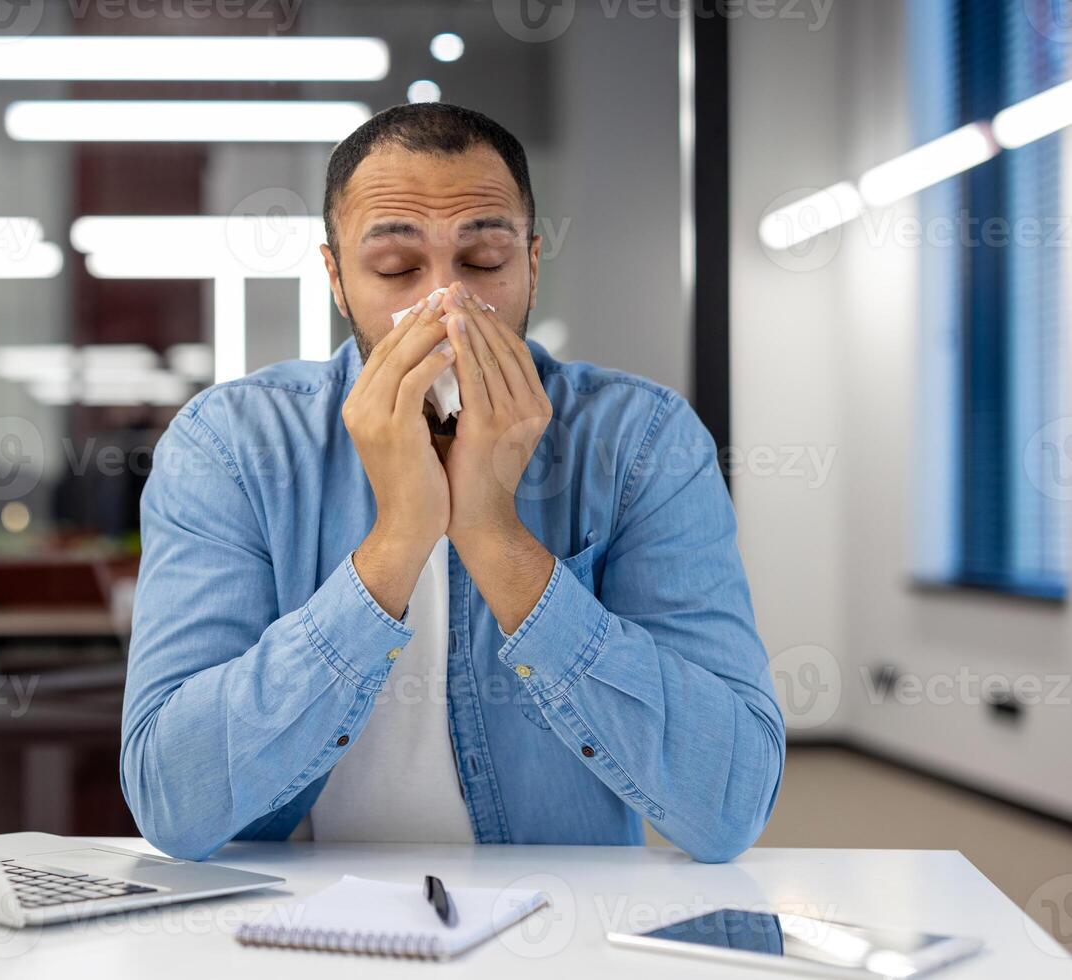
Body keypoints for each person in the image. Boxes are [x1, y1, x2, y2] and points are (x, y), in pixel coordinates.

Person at [121, 102, 784, 863]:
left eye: (484, 264)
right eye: (397, 269)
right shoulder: (232, 446)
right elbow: (173, 801)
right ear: (336, 278)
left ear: (532, 264)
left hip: (559, 926)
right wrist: (398, 537)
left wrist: (493, 534)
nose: (447, 304)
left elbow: (730, 804)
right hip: (291, 930)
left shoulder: (642, 441)